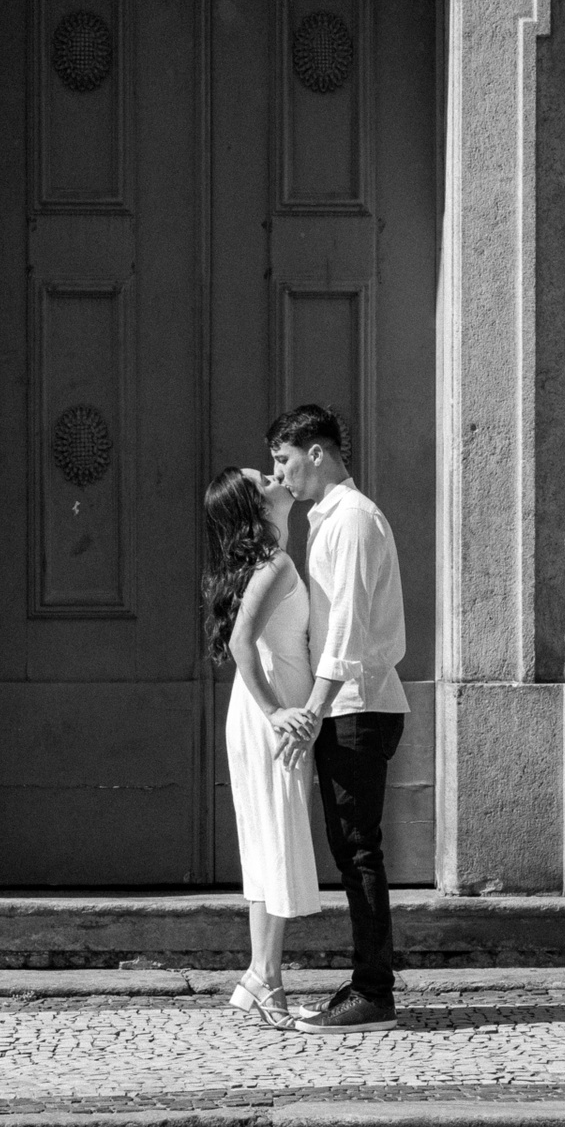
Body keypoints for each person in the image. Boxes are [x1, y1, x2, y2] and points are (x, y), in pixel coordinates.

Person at [266, 404, 407, 1035]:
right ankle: (365, 983)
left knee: (359, 852)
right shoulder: (329, 519)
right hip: (349, 706)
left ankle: (374, 994)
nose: (280, 474)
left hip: (357, 707)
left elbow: (346, 629)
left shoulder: (351, 519)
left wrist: (312, 712)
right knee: (353, 852)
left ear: (316, 453)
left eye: (285, 460)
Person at [201, 466, 324, 1028]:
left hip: (265, 714)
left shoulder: (271, 563)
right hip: (269, 717)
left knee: (269, 843)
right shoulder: (274, 565)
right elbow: (240, 641)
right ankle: (263, 976)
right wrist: (276, 712)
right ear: (256, 506)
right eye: (265, 479)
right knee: (272, 840)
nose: (278, 476)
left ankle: (261, 976)